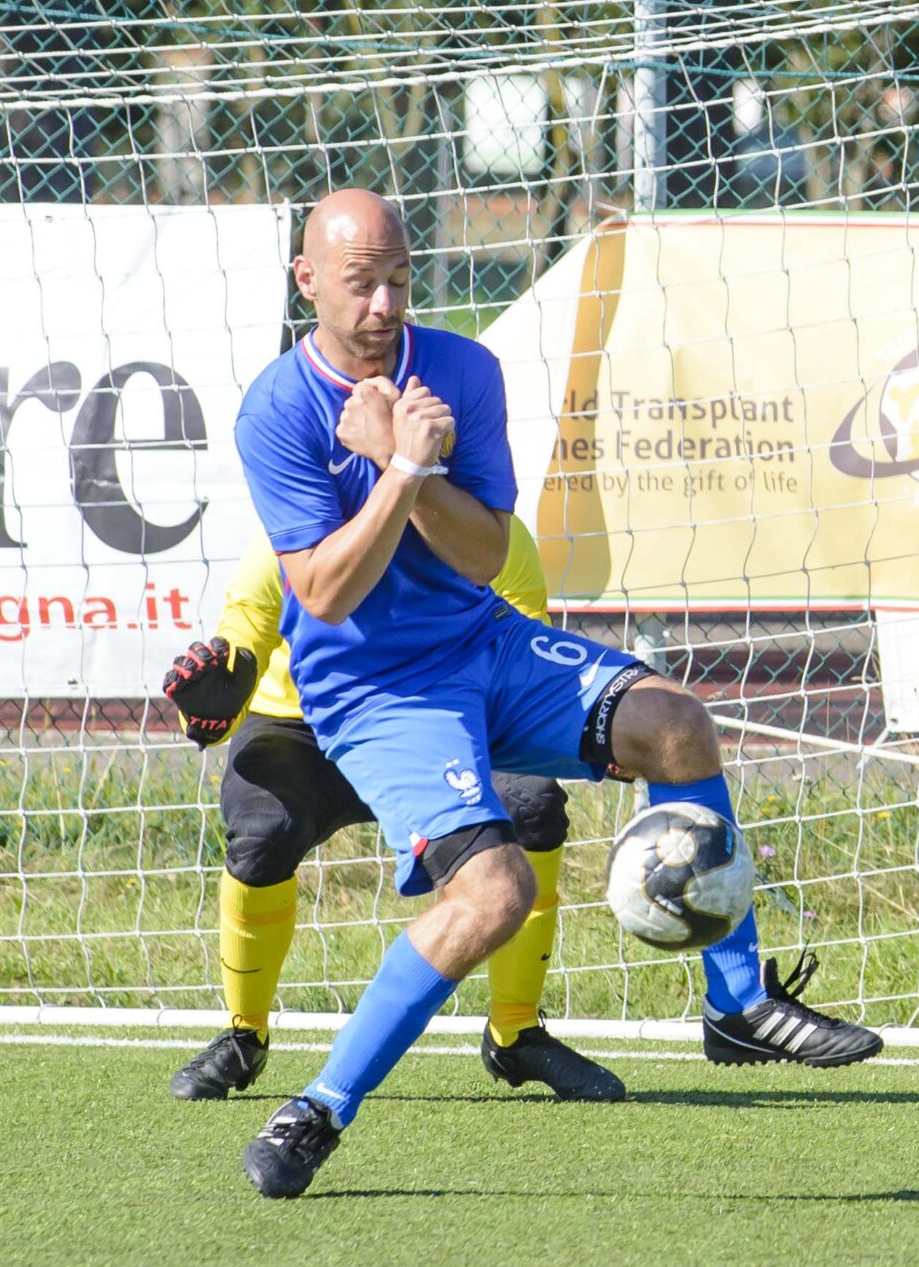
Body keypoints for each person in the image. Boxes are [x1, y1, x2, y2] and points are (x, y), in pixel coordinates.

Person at [222, 190, 879, 1198]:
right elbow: (324, 590)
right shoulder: (275, 409)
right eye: (360, 283)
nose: (385, 303)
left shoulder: (462, 372)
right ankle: (318, 1106)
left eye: (399, 278)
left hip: (484, 643)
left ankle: (736, 1005)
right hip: (375, 690)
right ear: (307, 280)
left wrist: (409, 462)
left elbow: (487, 554)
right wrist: (401, 467)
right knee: (495, 893)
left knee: (677, 725)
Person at [160, 517, 875, 1105]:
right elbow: (240, 649)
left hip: (449, 712)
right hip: (307, 724)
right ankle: (244, 1033)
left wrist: (594, 727)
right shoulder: (292, 536)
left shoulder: (486, 533)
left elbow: (519, 668)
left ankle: (515, 1033)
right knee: (262, 832)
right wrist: (212, 708)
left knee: (531, 804)